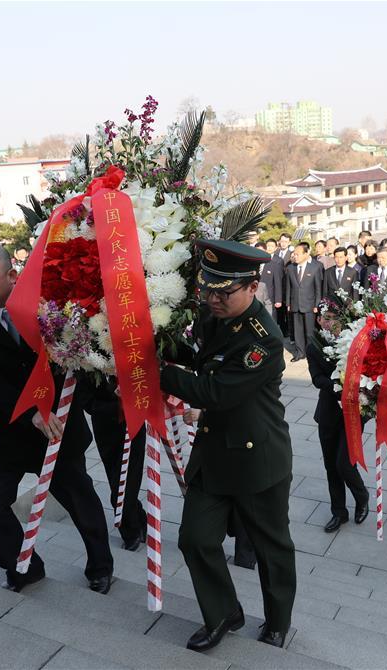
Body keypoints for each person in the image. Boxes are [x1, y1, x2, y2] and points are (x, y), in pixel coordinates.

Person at [0, 244, 114, 594]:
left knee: (80, 502)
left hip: (58, 427)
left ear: (12, 276)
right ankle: (24, 567)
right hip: (9, 428)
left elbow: (80, 357)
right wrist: (30, 413)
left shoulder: (48, 304)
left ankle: (100, 566)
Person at [160, 239, 296, 651]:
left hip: (257, 458)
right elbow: (198, 353)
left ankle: (277, 620)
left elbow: (213, 391)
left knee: (271, 547)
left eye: (224, 292)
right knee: (195, 538)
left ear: (253, 287)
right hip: (214, 451)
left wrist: (157, 370)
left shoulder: (263, 341)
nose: (213, 298)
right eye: (208, 288)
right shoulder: (214, 316)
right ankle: (223, 614)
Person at [307, 316, 368, 533]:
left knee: (344, 463)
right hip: (328, 413)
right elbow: (316, 378)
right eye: (324, 318)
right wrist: (339, 385)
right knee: (331, 467)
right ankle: (338, 513)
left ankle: (362, 497)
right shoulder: (314, 345)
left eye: (332, 318)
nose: (327, 323)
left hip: (353, 413)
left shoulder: (355, 340)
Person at [84, 382, 147, 552]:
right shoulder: (87, 355)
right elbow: (83, 391)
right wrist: (100, 406)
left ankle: (130, 530)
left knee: (128, 480)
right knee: (115, 479)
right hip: (103, 421)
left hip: (133, 419)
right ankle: (139, 517)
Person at [285, 241, 323, 362]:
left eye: (298, 254)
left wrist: (317, 304)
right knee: (297, 331)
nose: (295, 256)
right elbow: (288, 287)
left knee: (310, 332)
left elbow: (318, 288)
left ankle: (312, 353)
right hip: (295, 304)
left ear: (306, 254)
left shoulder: (316, 267)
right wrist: (288, 303)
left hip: (310, 305)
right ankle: (300, 353)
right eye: (294, 254)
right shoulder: (291, 268)